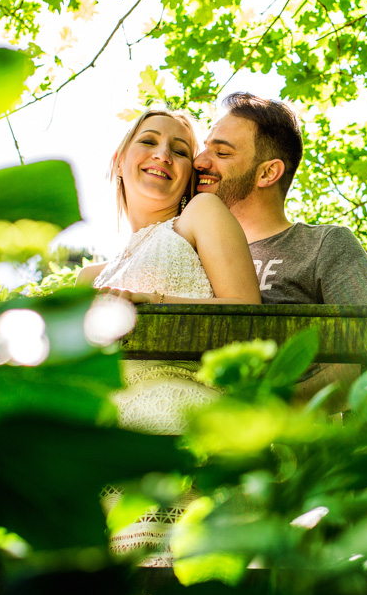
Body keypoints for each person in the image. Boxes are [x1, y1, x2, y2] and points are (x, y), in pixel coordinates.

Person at [76, 106, 260, 563]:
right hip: (105, 456)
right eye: (149, 141)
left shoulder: (199, 215)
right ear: (120, 159)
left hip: (187, 443)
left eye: (180, 150)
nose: (164, 155)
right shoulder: (89, 279)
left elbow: (247, 314)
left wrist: (154, 304)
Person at [193, 92, 367, 399]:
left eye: (222, 153)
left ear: (268, 173)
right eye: (205, 148)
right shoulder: (189, 251)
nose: (199, 161)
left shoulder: (324, 244)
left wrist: (272, 408)